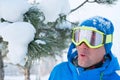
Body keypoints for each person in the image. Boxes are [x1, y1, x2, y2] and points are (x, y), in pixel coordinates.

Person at [49, 16, 120, 80]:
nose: (83, 46)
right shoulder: (59, 72)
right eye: (79, 38)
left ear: (106, 48)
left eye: (93, 40)